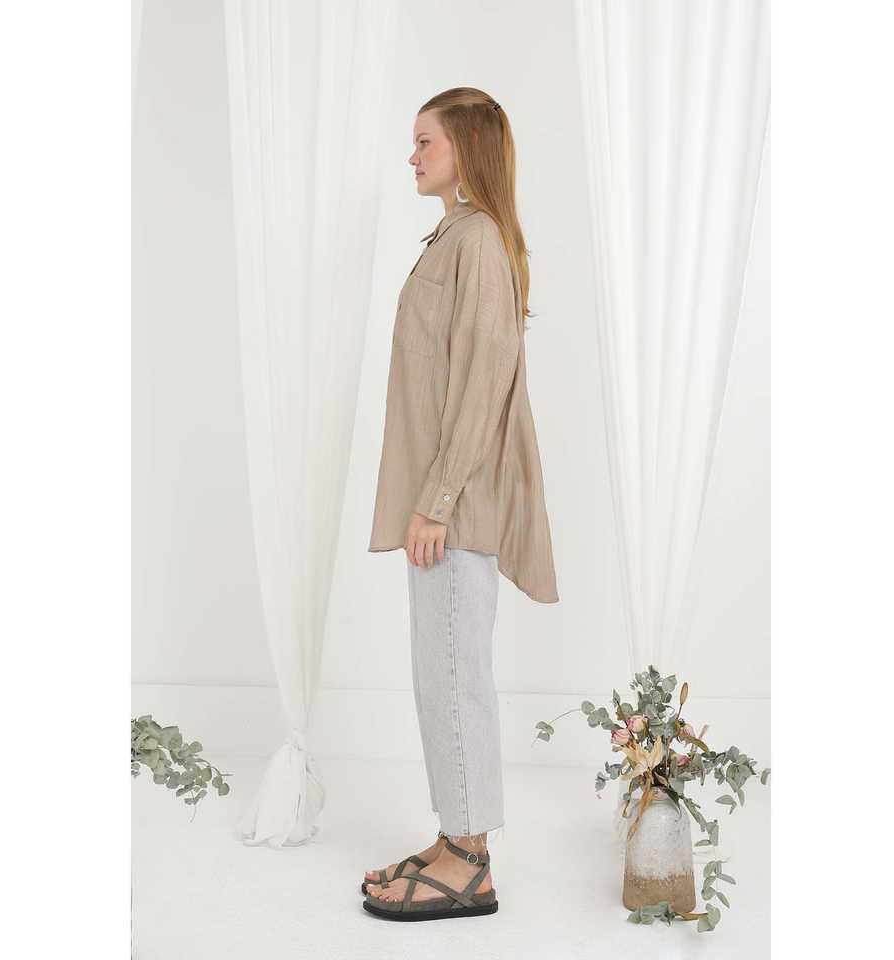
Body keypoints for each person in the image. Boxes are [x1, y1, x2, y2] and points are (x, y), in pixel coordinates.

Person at [364, 87, 559, 921]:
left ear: (465, 149)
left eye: (426, 143)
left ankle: (470, 862)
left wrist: (437, 501)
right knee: (440, 672)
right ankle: (455, 837)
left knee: (452, 676)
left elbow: (483, 381)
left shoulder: (476, 240)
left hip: (456, 504)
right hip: (442, 496)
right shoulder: (455, 236)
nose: (412, 157)